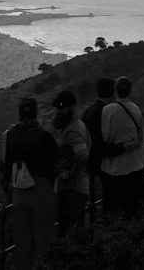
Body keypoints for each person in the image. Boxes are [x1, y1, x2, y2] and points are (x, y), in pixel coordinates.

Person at [0, 97, 58, 270]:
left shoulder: (8, 136)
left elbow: (3, 168)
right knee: (43, 242)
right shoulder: (44, 136)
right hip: (42, 191)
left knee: (22, 244)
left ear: (19, 114)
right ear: (36, 113)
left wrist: (3, 197)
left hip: (18, 194)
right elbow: (57, 161)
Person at [100, 77, 144, 217]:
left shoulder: (108, 110)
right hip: (135, 166)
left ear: (116, 91)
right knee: (133, 210)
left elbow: (105, 137)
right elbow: (141, 137)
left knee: (113, 212)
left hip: (115, 169)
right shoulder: (135, 109)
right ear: (130, 91)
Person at [81, 78, 125, 217]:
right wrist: (121, 148)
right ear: (112, 93)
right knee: (113, 197)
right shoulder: (103, 112)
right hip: (100, 162)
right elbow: (100, 145)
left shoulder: (90, 109)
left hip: (90, 161)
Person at [51, 90, 90, 237]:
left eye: (62, 108)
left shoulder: (72, 131)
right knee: (74, 231)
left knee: (70, 234)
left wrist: (71, 174)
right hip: (75, 188)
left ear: (72, 107)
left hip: (73, 190)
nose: (58, 111)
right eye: (57, 108)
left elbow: (83, 155)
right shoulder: (77, 125)